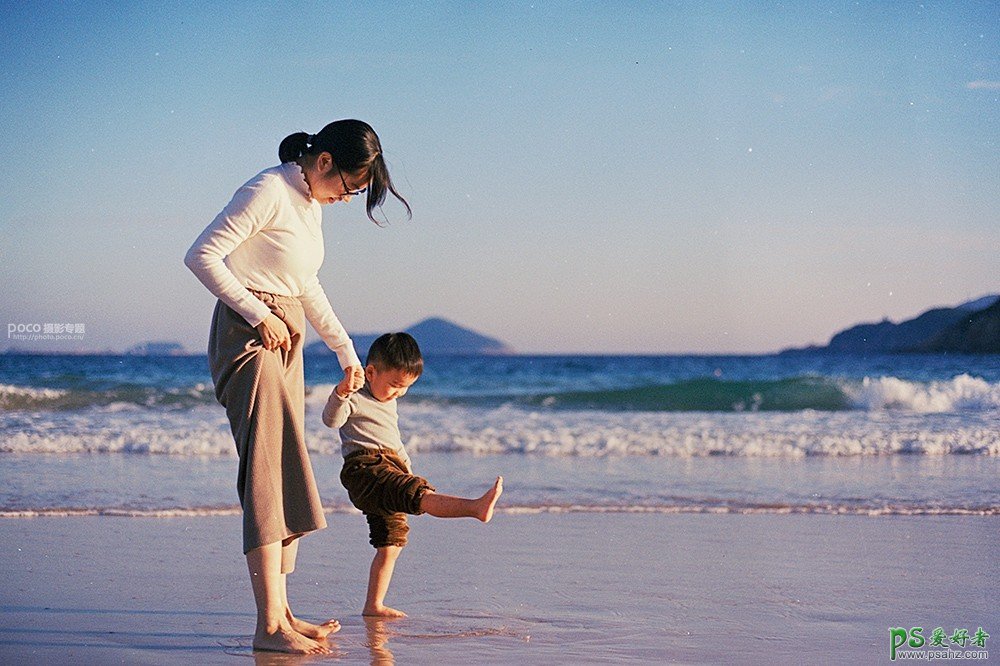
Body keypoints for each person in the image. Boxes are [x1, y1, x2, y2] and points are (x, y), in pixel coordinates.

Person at [183, 119, 410, 654]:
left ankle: (282, 613)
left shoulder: (309, 203)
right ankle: (267, 627)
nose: (347, 199)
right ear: (324, 161)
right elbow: (201, 256)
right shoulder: (267, 189)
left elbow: (305, 284)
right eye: (349, 187)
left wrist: (346, 352)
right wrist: (259, 314)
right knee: (264, 470)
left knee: (286, 467)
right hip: (251, 335)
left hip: (286, 332)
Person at [322, 332, 503, 618]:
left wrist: (407, 469)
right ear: (371, 372)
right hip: (365, 469)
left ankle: (373, 605)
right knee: (419, 495)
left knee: (390, 543)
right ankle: (474, 508)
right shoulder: (354, 397)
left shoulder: (389, 403)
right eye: (394, 385)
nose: (398, 393)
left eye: (405, 388)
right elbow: (331, 420)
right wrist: (341, 391)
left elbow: (394, 441)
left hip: (391, 467)